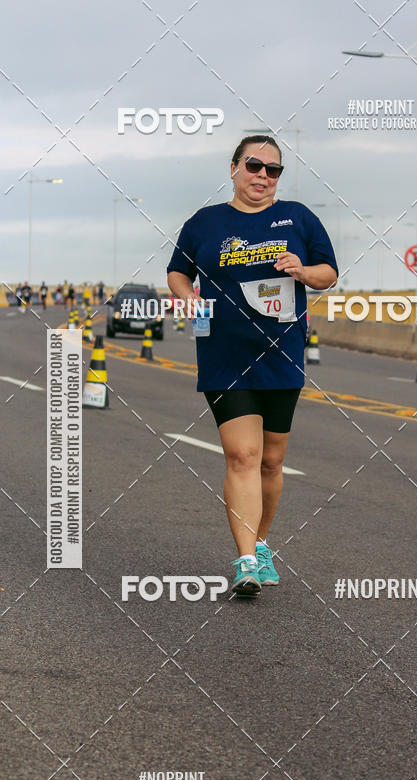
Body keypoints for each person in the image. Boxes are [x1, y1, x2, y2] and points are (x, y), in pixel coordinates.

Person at [167, 135, 337, 596]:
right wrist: (188, 297)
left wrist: (302, 270)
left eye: (273, 169)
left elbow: (329, 274)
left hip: (282, 352)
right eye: (254, 165)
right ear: (234, 167)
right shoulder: (205, 223)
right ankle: (244, 560)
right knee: (243, 455)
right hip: (224, 353)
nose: (263, 175)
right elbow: (178, 271)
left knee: (272, 461)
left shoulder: (299, 217)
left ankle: (261, 544)